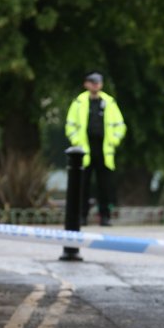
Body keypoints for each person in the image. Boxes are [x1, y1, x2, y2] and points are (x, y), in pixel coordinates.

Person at [65, 72, 126, 226]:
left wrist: (114, 141)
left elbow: (120, 125)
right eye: (92, 82)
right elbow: (70, 124)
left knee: (104, 185)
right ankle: (81, 216)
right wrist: (76, 141)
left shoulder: (109, 102)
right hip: (84, 149)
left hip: (104, 149)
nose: (95, 85)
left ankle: (105, 216)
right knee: (82, 185)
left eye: (98, 82)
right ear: (86, 84)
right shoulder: (79, 102)